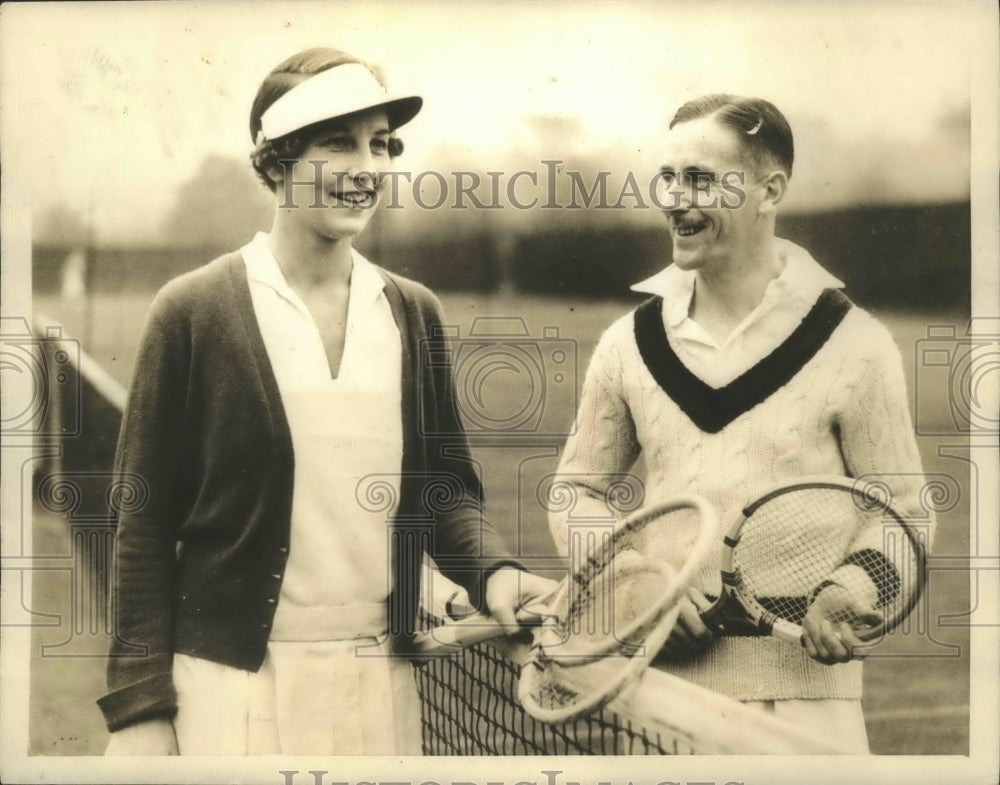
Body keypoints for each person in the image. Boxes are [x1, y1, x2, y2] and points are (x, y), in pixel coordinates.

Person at [100, 47, 553, 756]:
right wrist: (139, 708)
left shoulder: (413, 311)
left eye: (381, 144)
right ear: (277, 160)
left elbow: (444, 494)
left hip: (380, 682)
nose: (367, 167)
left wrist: (495, 571)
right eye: (338, 142)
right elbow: (142, 524)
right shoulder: (192, 310)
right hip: (228, 690)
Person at [547, 94, 930, 753]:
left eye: (700, 179)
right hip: (662, 694)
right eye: (668, 177)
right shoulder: (626, 343)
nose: (675, 199)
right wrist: (638, 586)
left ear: (769, 190)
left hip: (806, 705)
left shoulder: (857, 344)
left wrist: (851, 587)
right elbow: (574, 492)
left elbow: (906, 513)